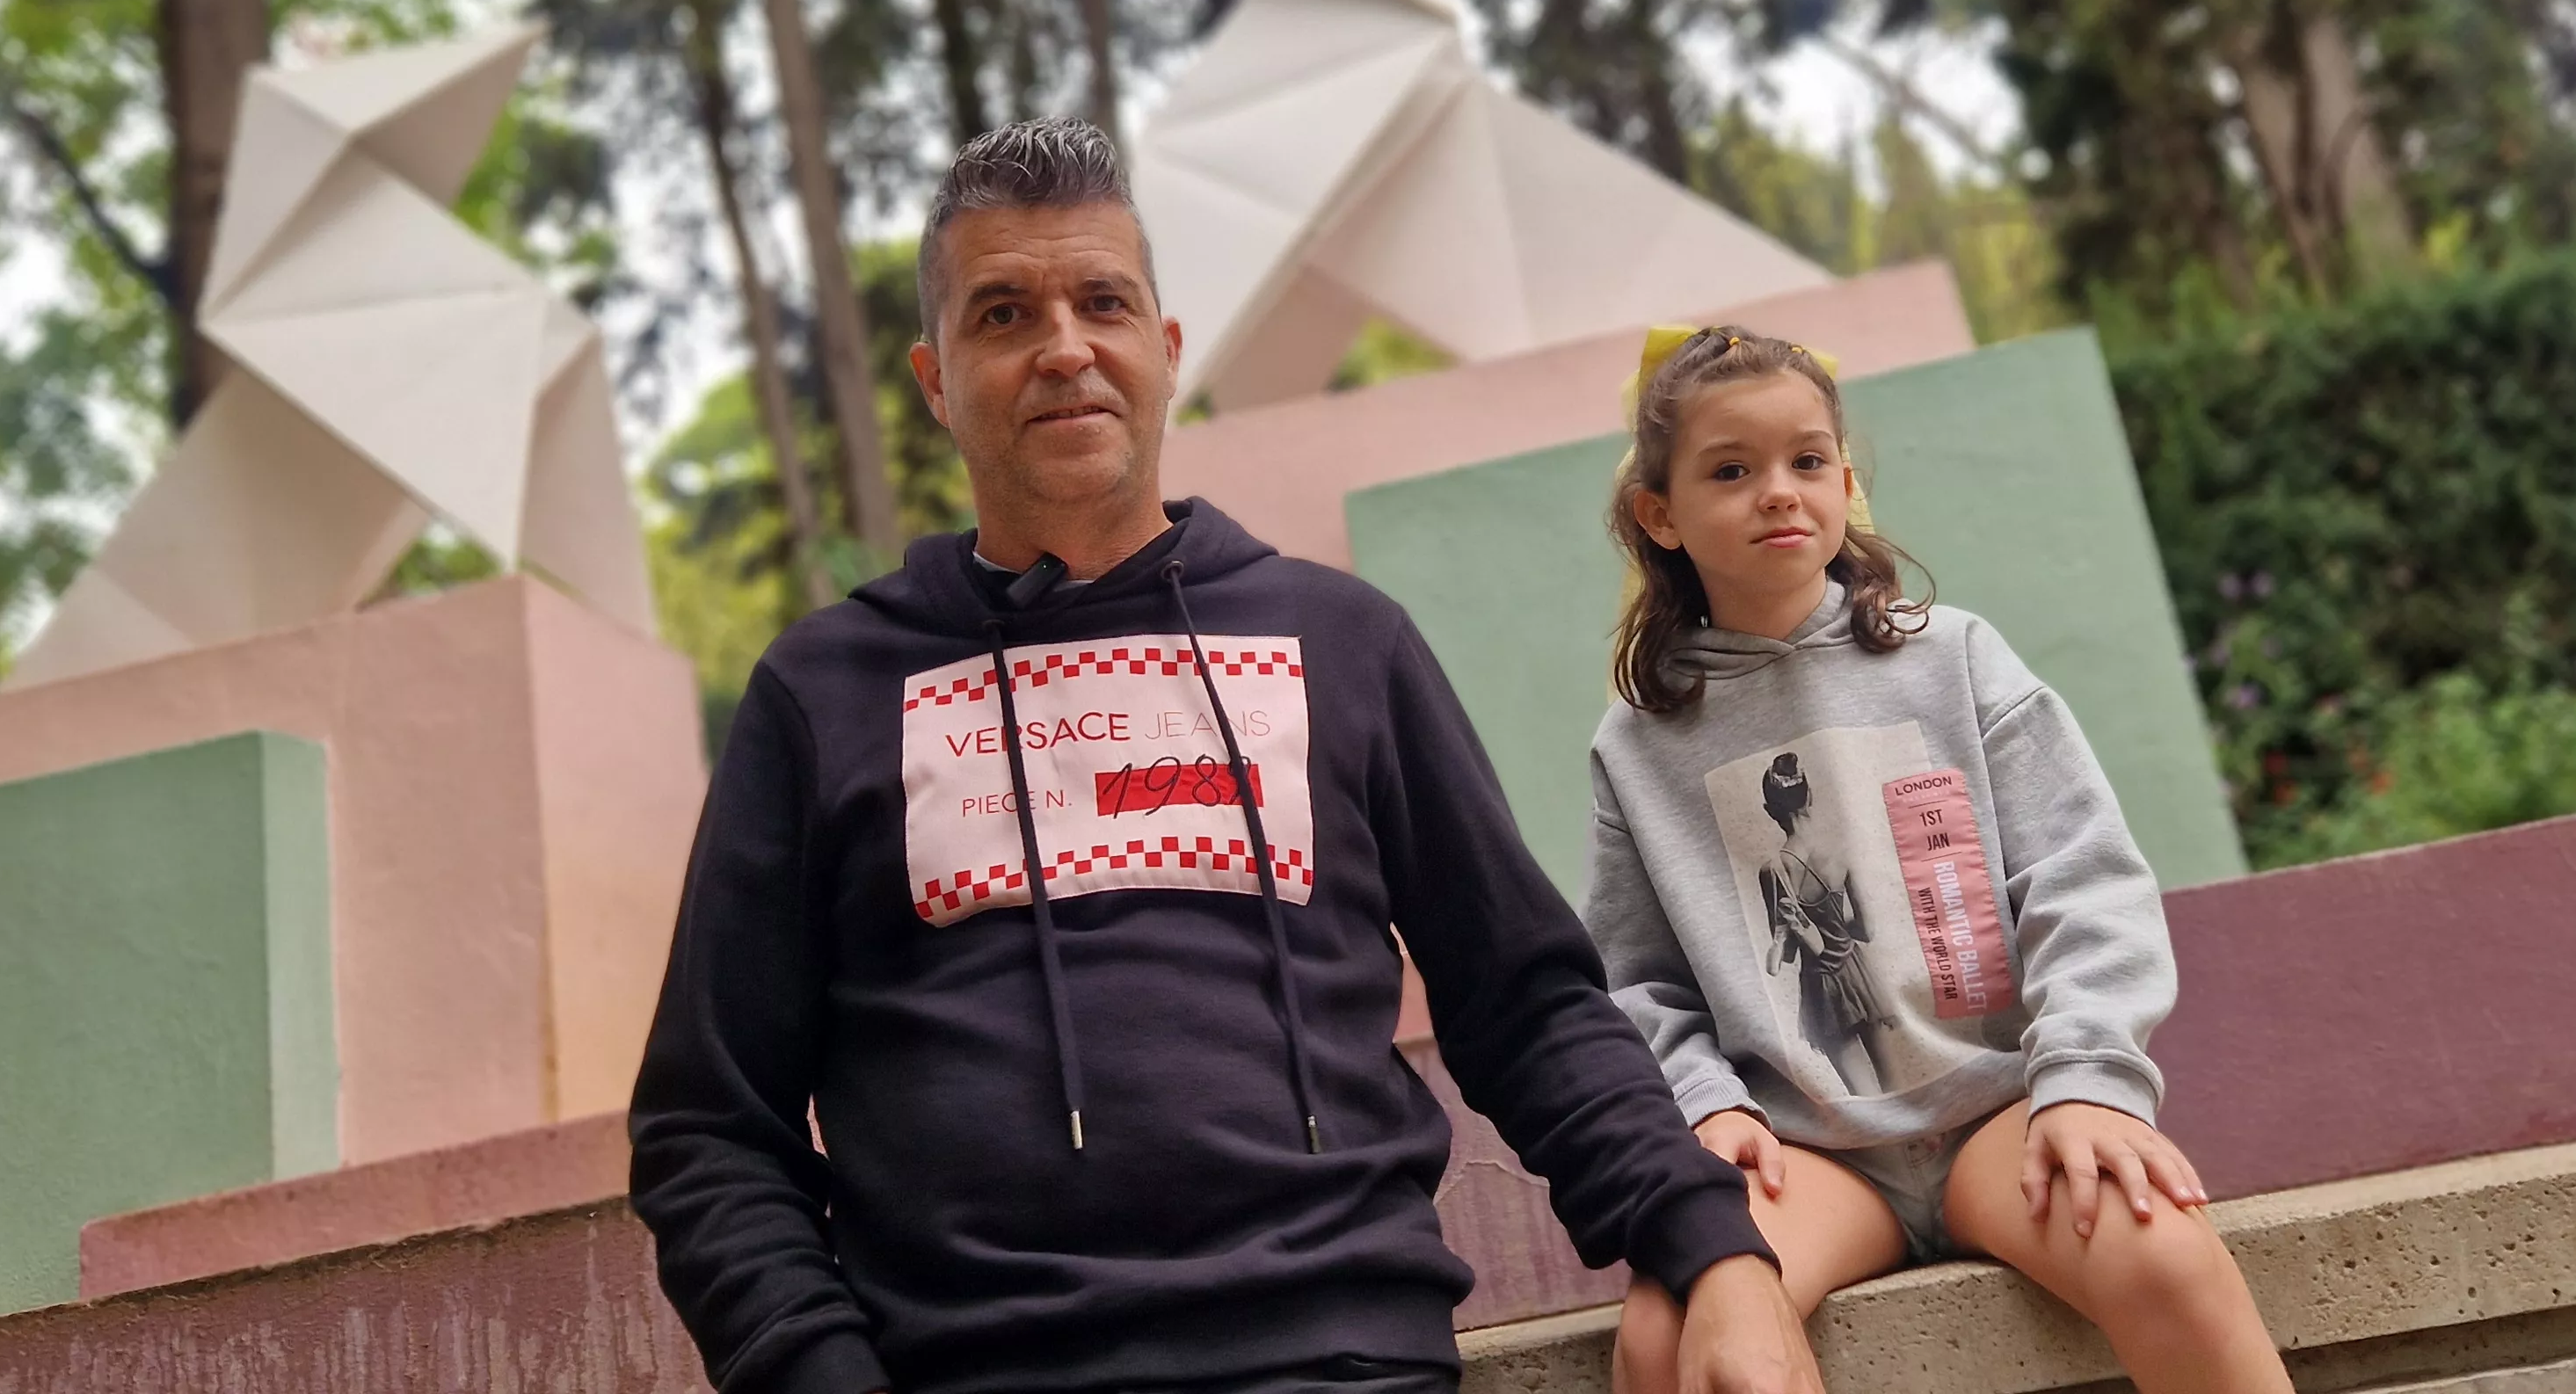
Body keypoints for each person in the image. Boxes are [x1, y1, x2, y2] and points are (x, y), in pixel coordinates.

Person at [629, 120, 1823, 1394]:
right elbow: (709, 1128)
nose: (1065, 347)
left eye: (1103, 303)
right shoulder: (824, 694)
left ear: (1166, 351)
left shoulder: (1344, 644)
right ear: (936, 380)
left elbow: (1526, 1007)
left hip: (1344, 1363)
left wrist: (1714, 1250)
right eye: (1002, 314)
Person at [1584, 325, 2294, 1394]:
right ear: (1659, 513)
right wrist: (1703, 1103)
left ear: (1845, 481)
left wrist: (2091, 1077)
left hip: (2000, 1114)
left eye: (1806, 461)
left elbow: (2081, 874)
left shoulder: (1952, 656)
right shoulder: (1637, 746)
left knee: (2164, 1252)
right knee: (1665, 1338)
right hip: (1808, 1154)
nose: (1778, 492)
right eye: (1731, 470)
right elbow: (1634, 981)